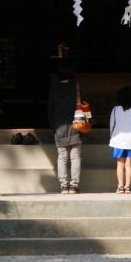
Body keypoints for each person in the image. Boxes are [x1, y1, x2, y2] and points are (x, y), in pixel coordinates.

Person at [46, 61, 83, 193]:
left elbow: (50, 108)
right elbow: (80, 104)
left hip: (59, 125)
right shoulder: (75, 86)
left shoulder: (54, 87)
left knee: (62, 156)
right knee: (75, 156)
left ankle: (63, 185)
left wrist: (53, 125)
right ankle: (74, 185)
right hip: (75, 124)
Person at [108, 85, 131, 194]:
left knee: (120, 164)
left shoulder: (115, 110)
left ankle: (120, 186)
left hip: (118, 140)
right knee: (128, 165)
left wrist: (112, 136)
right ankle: (127, 187)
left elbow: (112, 124)